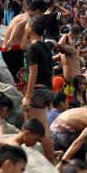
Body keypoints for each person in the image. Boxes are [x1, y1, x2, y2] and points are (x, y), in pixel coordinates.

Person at [22, 16, 55, 163]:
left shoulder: (32, 48)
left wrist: (27, 97)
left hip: (37, 91)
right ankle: (45, 159)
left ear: (31, 28)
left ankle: (46, 162)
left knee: (39, 131)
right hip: (47, 89)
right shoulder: (46, 47)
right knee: (42, 129)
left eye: (27, 26)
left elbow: (33, 72)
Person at [3, 0, 47, 85]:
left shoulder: (21, 15)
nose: (42, 16)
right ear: (38, 11)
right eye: (42, 14)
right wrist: (11, 40)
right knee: (22, 81)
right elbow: (19, 25)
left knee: (19, 79)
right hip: (13, 51)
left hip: (10, 50)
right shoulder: (28, 19)